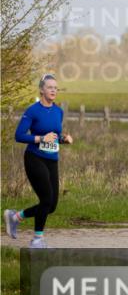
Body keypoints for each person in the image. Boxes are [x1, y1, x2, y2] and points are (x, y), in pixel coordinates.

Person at [5, 74, 73, 249]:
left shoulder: (59, 111)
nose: (53, 91)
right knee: (46, 198)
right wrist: (41, 138)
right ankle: (37, 240)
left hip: (52, 160)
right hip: (34, 158)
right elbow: (19, 136)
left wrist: (64, 139)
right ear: (42, 89)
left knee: (51, 206)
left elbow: (54, 137)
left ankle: (16, 217)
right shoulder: (32, 110)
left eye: (56, 88)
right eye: (50, 87)